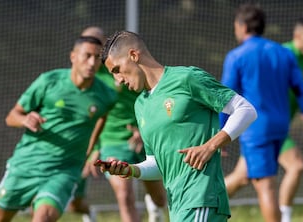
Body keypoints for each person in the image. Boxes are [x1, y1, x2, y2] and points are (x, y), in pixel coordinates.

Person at [95, 30, 258, 222]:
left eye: (117, 70)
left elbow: (245, 110)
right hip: (178, 205)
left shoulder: (187, 79)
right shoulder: (140, 106)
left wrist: (211, 145)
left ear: (133, 55)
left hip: (201, 199)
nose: (118, 80)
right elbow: (157, 164)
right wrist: (130, 170)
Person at [0, 36, 117, 222]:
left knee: (43, 218)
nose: (91, 62)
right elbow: (12, 116)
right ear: (73, 57)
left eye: (96, 58)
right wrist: (26, 120)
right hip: (27, 164)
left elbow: (102, 119)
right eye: (86, 55)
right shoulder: (49, 81)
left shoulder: (107, 94)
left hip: (64, 170)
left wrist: (94, 149)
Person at [221, 4, 303, 222]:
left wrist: (221, 132)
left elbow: (225, 97)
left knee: (265, 187)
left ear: (242, 26)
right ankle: (205, 208)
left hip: (256, 129)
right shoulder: (283, 53)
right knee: (244, 177)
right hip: (280, 127)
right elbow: (302, 93)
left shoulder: (237, 55)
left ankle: (202, 207)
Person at [69, 26, 168, 222]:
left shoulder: (124, 67)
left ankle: (155, 208)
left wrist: (145, 130)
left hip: (141, 136)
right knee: (124, 195)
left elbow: (151, 96)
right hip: (112, 141)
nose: (93, 52)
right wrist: (94, 148)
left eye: (98, 44)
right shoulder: (84, 79)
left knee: (160, 198)